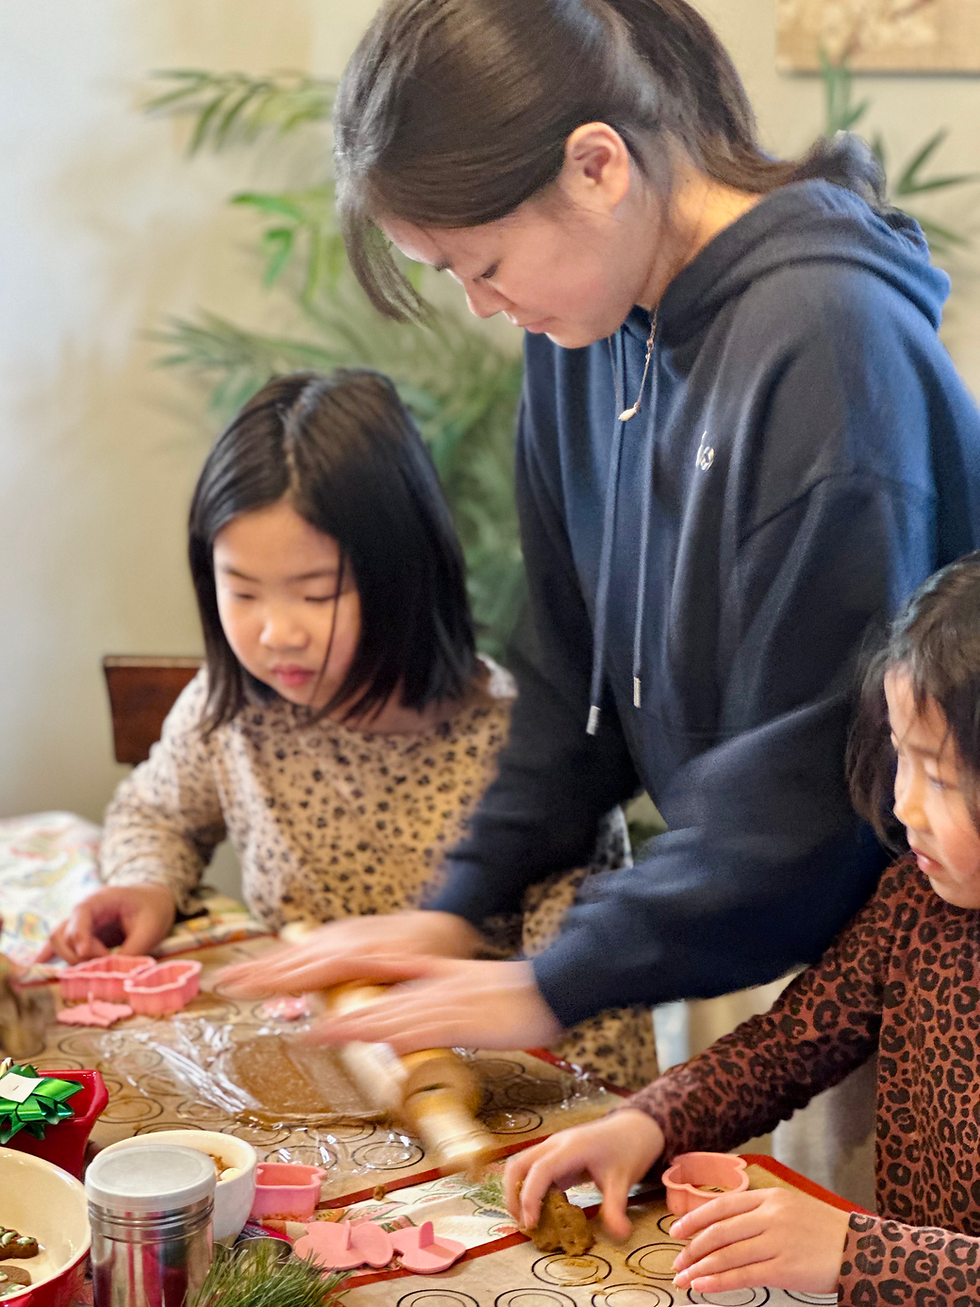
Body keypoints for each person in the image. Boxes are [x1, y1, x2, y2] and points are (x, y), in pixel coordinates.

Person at [220, 0, 980, 1058]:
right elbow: (567, 667)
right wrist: (460, 900)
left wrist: (556, 979)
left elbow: (811, 798)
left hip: (913, 961)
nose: (483, 306)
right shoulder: (588, 327)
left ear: (596, 167)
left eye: (485, 264)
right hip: (758, 934)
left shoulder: (827, 350)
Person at [40, 368, 656, 1087]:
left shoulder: (531, 753)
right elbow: (157, 812)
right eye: (241, 590)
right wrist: (148, 884)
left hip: (481, 1112)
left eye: (316, 593)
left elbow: (601, 1051)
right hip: (303, 1083)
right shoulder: (233, 710)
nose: (277, 633)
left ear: (404, 576)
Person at [504, 554, 980, 1304]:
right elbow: (786, 1047)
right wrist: (647, 1122)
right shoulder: (916, 905)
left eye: (942, 776)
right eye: (901, 758)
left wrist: (858, 1251)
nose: (904, 804)